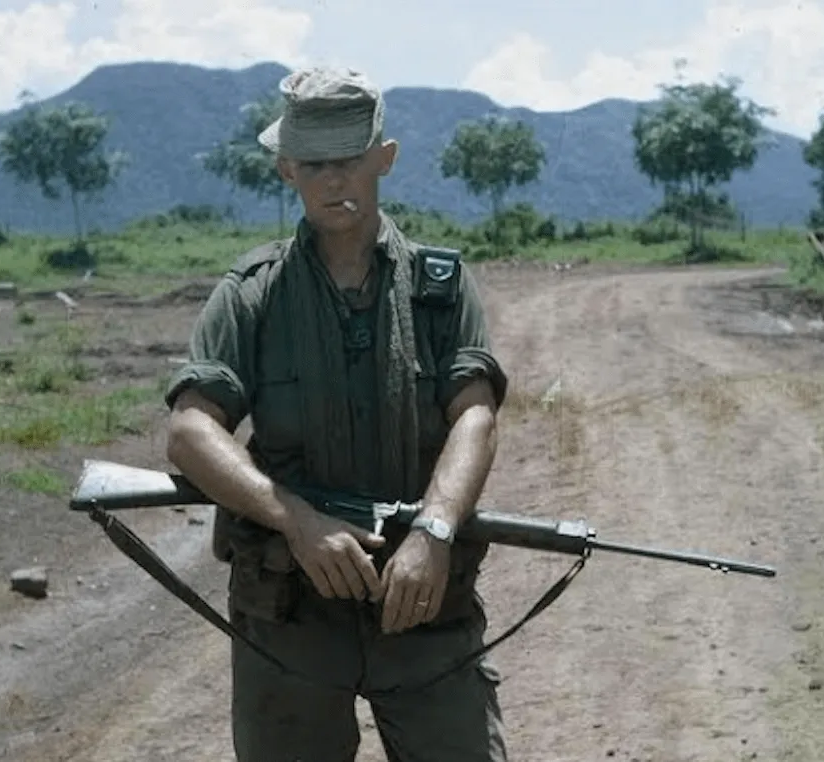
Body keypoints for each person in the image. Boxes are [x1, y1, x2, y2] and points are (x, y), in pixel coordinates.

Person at [163, 65, 510, 762]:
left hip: (423, 602)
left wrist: (435, 533)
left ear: (384, 159)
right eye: (315, 164)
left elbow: (475, 415)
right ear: (287, 169)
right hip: (290, 611)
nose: (333, 181)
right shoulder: (251, 296)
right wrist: (298, 521)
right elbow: (190, 430)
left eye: (349, 161)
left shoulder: (439, 291)